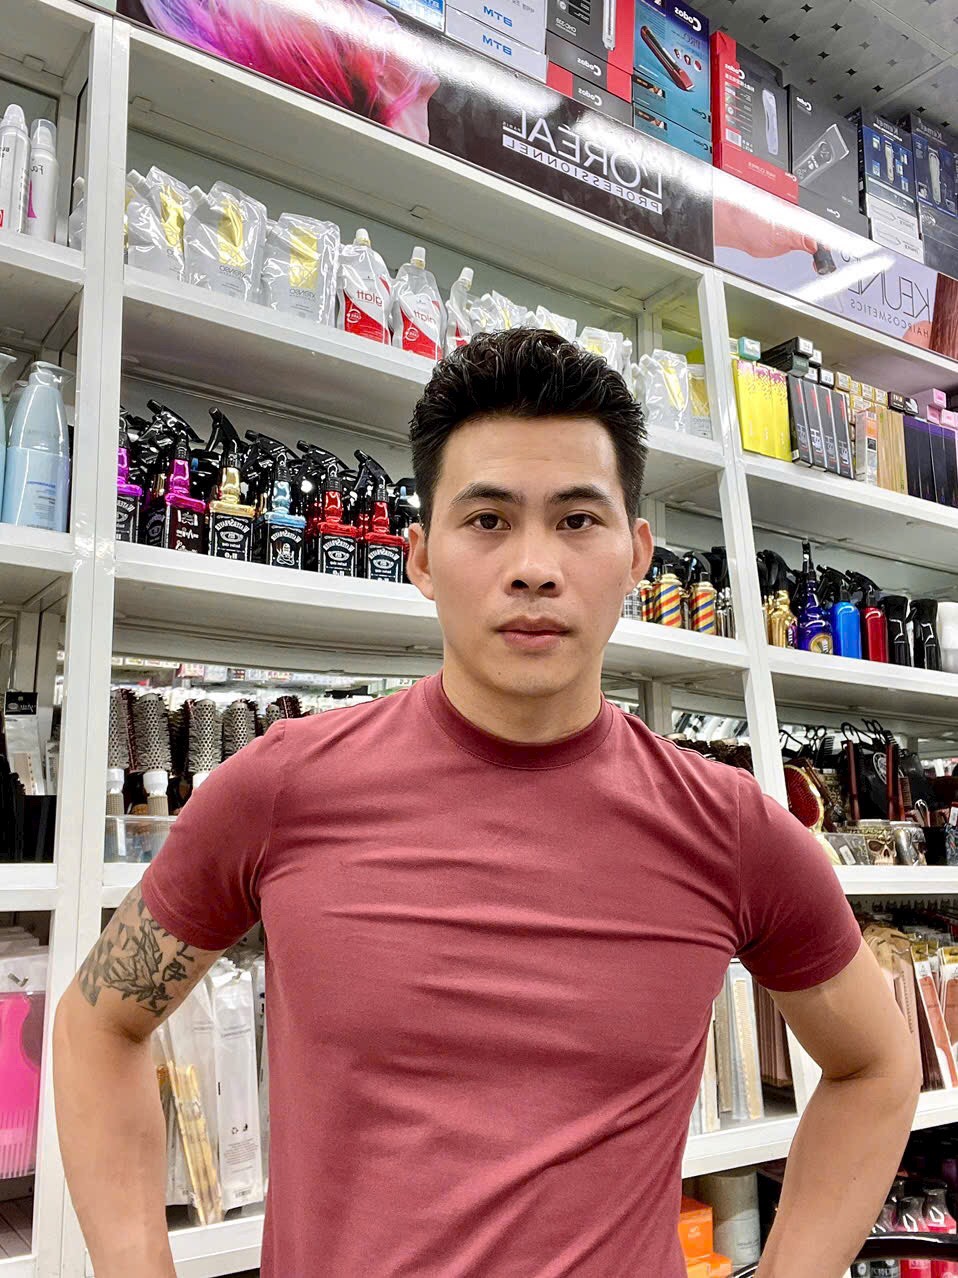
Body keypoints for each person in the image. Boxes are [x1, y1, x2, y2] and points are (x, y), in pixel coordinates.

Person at [54, 330, 919, 1278]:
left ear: (636, 556)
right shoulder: (282, 787)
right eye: (488, 519)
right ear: (422, 557)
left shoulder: (731, 828)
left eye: (577, 519)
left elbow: (877, 1067)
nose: (534, 566)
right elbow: (98, 1023)